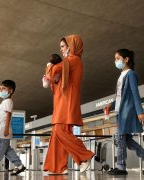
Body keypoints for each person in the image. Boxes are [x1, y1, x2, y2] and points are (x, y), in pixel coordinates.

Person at [43, 35, 94, 175]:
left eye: (63, 46)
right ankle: (57, 166)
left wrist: (49, 66)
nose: (61, 50)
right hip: (62, 101)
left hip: (67, 101)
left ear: (71, 46)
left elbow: (53, 71)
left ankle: (84, 156)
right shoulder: (69, 61)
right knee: (56, 133)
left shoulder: (73, 60)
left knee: (60, 131)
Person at [105, 49, 144, 176]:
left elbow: (135, 93)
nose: (116, 61)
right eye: (115, 59)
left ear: (126, 59)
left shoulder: (131, 74)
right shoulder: (121, 75)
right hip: (119, 110)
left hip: (127, 110)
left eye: (118, 58)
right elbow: (119, 94)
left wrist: (140, 112)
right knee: (126, 139)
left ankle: (121, 166)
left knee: (120, 137)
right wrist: (111, 103)